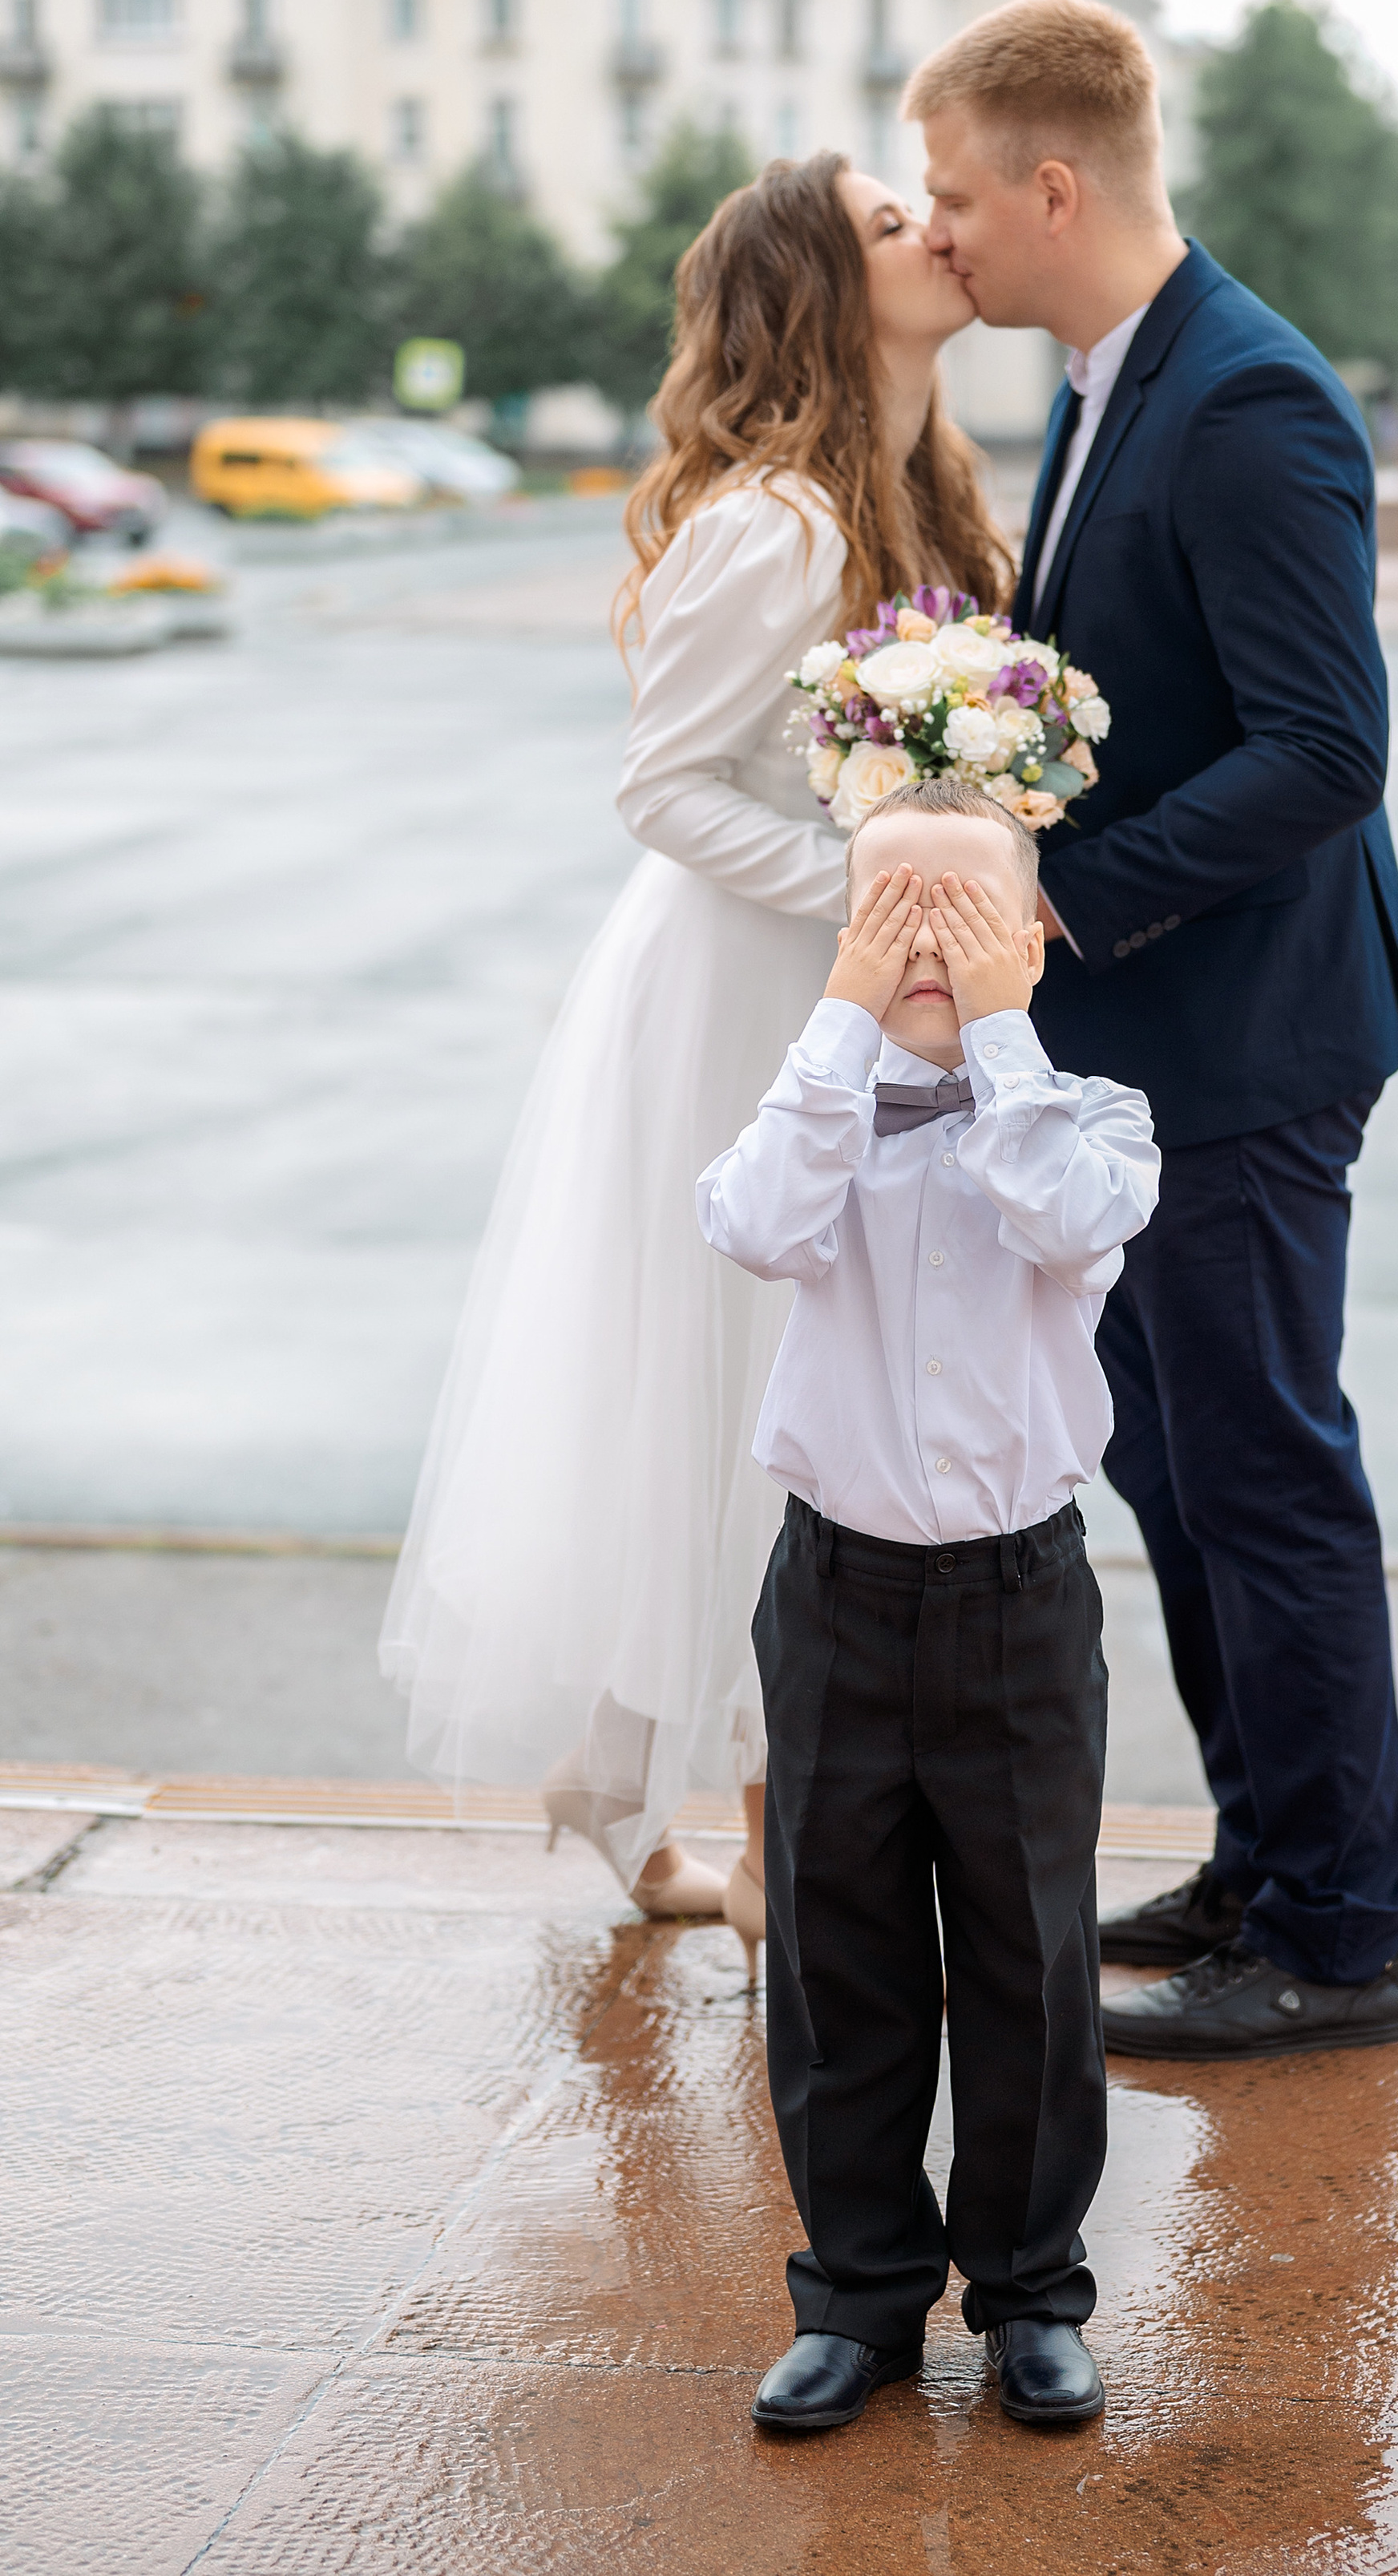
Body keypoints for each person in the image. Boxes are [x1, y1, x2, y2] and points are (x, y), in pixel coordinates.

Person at [378, 159, 1010, 1948]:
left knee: (808, 1386)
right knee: (744, 1386)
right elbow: (661, 786)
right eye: (893, 224)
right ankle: (762, 1836)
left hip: (839, 990)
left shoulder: (927, 495)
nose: (934, 234)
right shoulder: (786, 524)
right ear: (821, 288)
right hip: (746, 994)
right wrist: (883, 900)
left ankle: (679, 1802)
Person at [906, 0, 1398, 2061]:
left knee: (1265, 1475)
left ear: (1054, 184)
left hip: (1243, 1034)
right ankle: (1260, 1858)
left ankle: (1337, 1935)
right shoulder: (1107, 380)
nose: (940, 233)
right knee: (1184, 1480)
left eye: (954, 195)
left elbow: (1328, 747)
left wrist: (1057, 893)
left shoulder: (1245, 397)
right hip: (1151, 1038)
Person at [699, 778, 1158, 2433]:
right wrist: (838, 1017)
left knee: (1030, 1951)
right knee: (840, 1948)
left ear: (1033, 934)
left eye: (958, 909)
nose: (920, 942)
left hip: (1018, 1599)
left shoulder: (1091, 1113)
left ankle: (1029, 2288)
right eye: (884, 905)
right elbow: (749, 1222)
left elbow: (1067, 1218)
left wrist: (1005, 1035)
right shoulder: (810, 1110)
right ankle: (859, 2293)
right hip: (833, 1586)